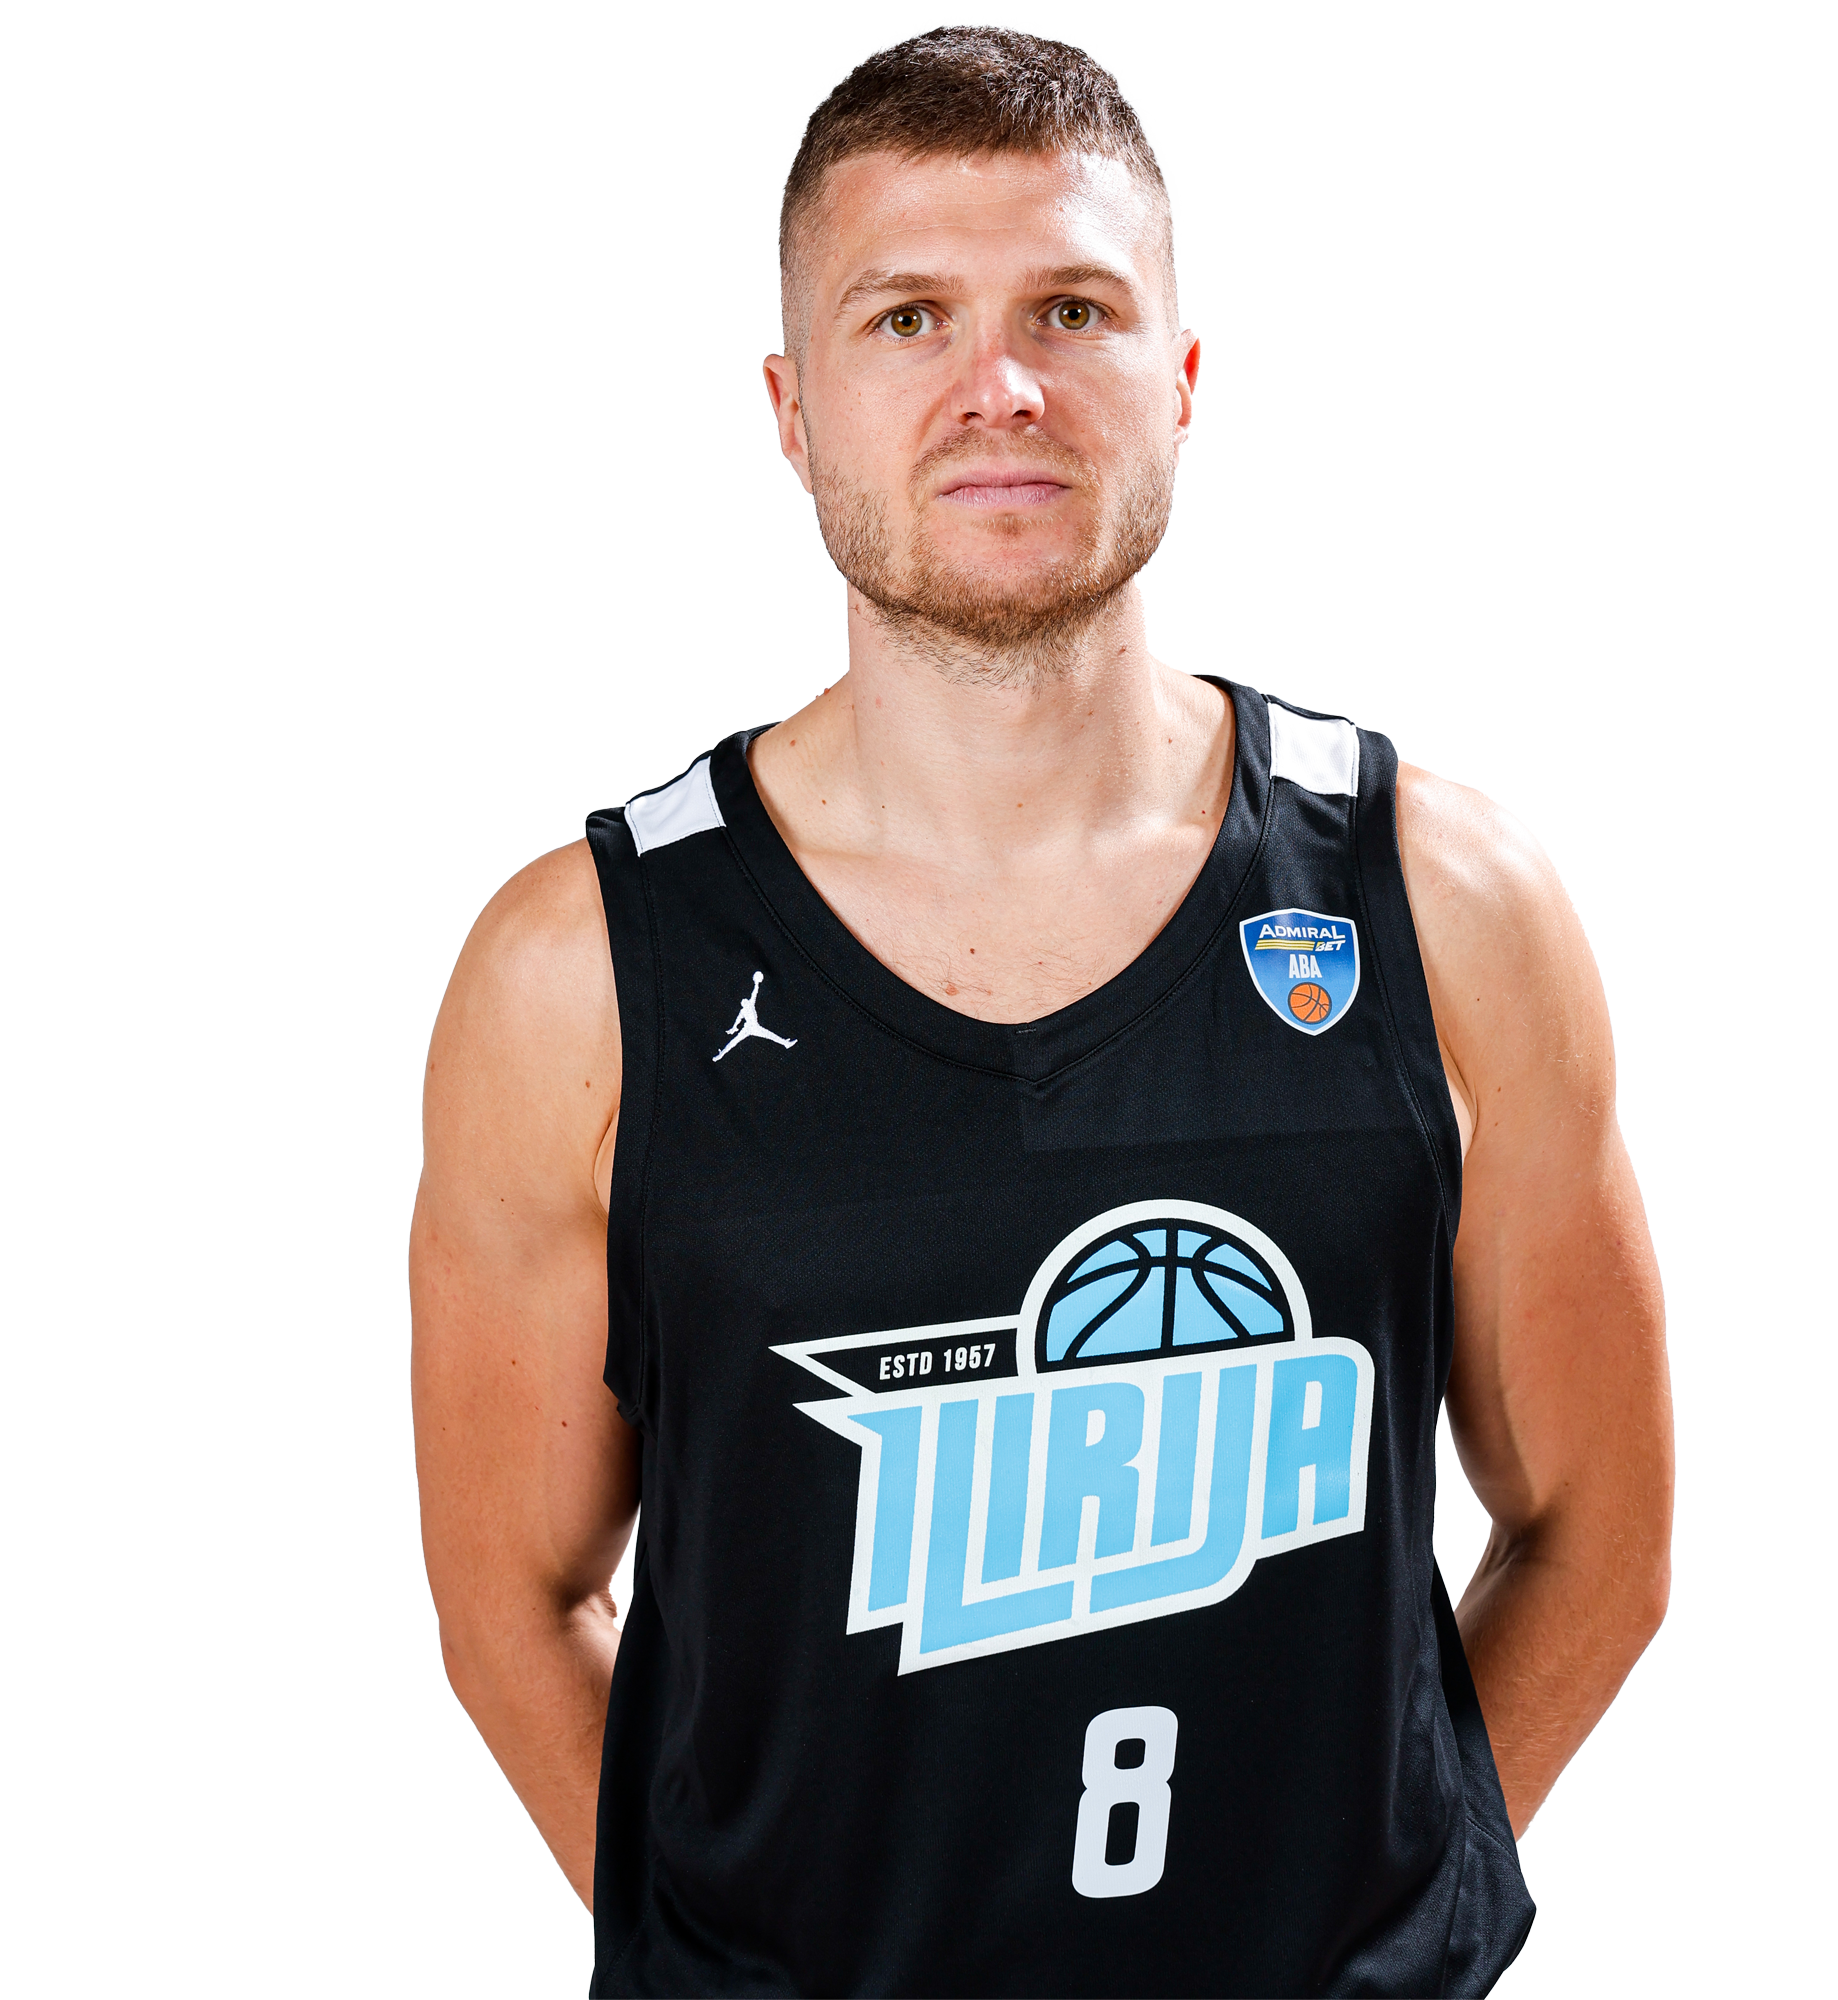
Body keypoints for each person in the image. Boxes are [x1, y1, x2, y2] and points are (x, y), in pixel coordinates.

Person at [411, 25, 1672, 1999]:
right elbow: (515, 1594)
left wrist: (1387, 1933)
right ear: (792, 408)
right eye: (907, 316)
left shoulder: (1445, 905)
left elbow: (1602, 1523)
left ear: (1181, 377)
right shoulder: (577, 973)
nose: (998, 385)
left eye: (1071, 311)